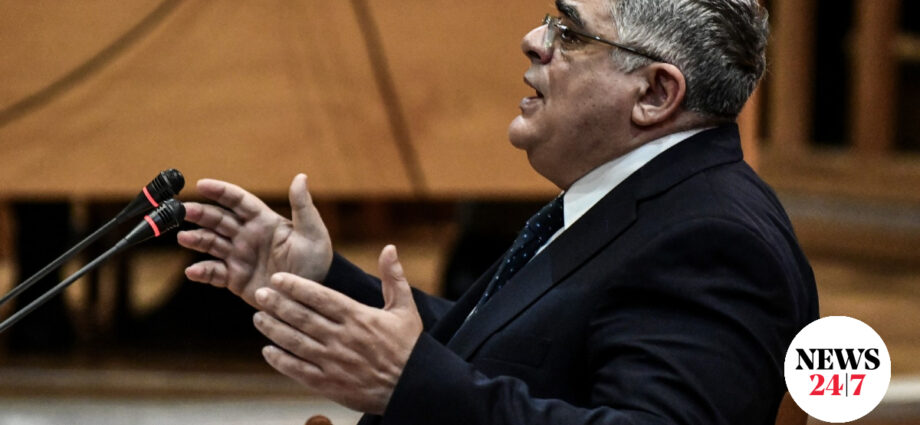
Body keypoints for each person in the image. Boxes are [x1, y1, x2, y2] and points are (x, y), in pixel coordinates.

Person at [176, 0, 819, 423]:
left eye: (570, 33)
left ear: (653, 93)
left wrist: (412, 383)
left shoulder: (712, 241)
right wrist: (318, 280)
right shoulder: (648, 194)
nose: (533, 40)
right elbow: (510, 346)